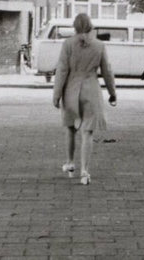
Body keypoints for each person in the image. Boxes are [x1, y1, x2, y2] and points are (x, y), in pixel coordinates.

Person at [52, 13, 117, 185]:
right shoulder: (99, 45)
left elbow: (62, 70)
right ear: (91, 26)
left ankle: (70, 163)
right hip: (91, 89)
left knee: (69, 127)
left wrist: (56, 94)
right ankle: (85, 172)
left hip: (71, 89)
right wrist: (112, 92)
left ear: (74, 27)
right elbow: (107, 71)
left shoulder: (68, 44)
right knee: (87, 132)